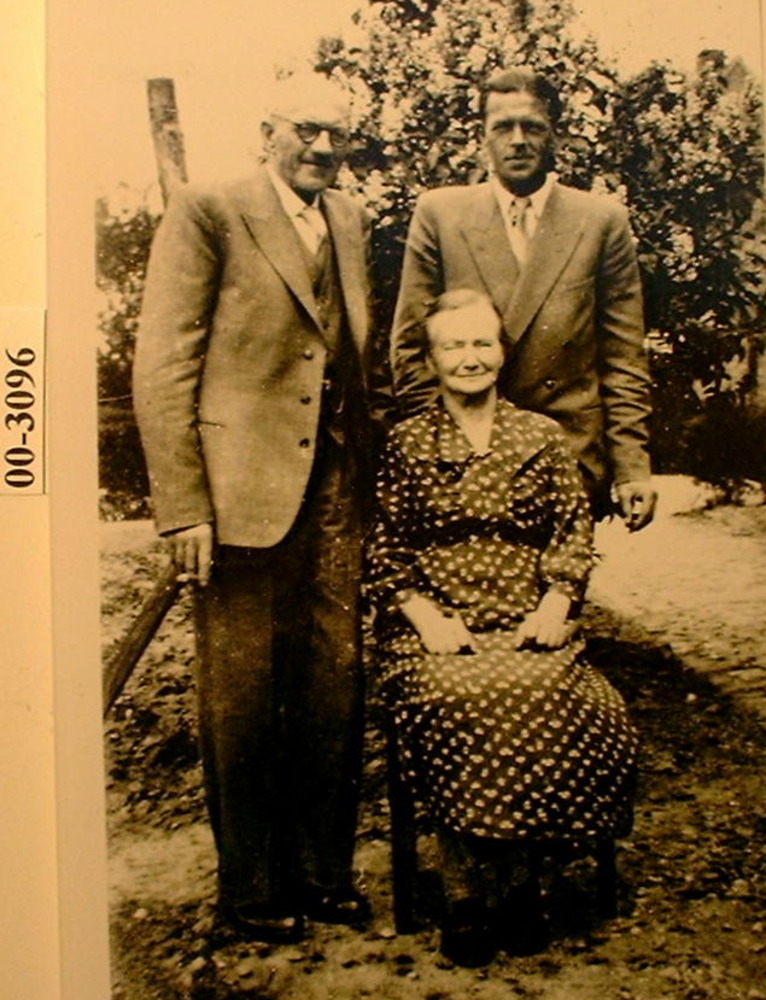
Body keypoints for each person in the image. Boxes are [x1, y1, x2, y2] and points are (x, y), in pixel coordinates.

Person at [133, 74, 377, 943]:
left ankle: (323, 875)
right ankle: (251, 890)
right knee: (241, 697)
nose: (323, 147)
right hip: (237, 496)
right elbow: (163, 363)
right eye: (307, 129)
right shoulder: (210, 209)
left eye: (338, 134)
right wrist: (184, 508)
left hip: (335, 491)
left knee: (333, 687)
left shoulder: (348, 217)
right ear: (268, 131)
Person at [368, 290, 638, 966]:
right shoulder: (407, 442)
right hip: (438, 628)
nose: (470, 358)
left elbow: (572, 532)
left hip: (527, 623)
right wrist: (425, 618)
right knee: (460, 696)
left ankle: (517, 886)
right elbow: (386, 550)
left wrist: (556, 603)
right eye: (453, 345)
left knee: (545, 691)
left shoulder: (541, 437)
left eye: (481, 343)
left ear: (502, 352)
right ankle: (466, 895)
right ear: (431, 359)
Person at [391, 66, 657, 529]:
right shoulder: (441, 214)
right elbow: (411, 348)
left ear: (555, 134)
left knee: (560, 577)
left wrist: (632, 467)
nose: (518, 141)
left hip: (569, 457)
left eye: (532, 127)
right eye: (503, 127)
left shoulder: (599, 221)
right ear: (482, 136)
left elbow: (624, 357)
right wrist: (439, 445)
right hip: (462, 458)